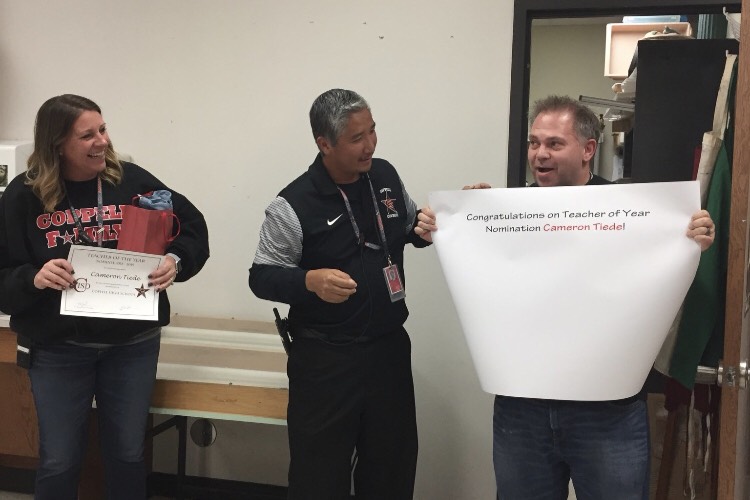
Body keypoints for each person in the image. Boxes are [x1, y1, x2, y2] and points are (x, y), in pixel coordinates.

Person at [415, 95, 715, 500]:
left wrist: (691, 232)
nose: (540, 154)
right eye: (534, 142)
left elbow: (662, 256)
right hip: (522, 411)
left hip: (607, 410)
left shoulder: (632, 211)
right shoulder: (508, 209)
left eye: (555, 144)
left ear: (588, 149)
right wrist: (461, 217)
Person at [0, 94, 210, 500]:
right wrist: (34, 279)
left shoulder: (129, 181)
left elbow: (192, 226)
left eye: (103, 129)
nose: (102, 141)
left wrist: (175, 260)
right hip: (59, 348)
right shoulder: (22, 197)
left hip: (131, 345)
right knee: (59, 460)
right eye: (87, 135)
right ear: (57, 144)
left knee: (128, 455)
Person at [249, 88, 431, 499]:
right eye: (356, 138)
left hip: (388, 352)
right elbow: (261, 276)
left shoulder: (384, 175)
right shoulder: (292, 204)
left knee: (391, 469)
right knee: (319, 477)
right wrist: (307, 281)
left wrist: (431, 224)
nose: (369, 145)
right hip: (325, 360)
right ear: (324, 143)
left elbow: (406, 226)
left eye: (372, 131)